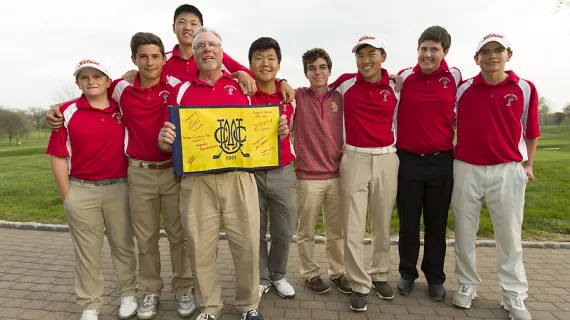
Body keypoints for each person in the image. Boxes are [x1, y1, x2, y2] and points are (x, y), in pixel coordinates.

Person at [45, 33, 196, 319]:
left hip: (173, 173)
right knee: (146, 238)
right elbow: (86, 95)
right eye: (143, 56)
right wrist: (53, 111)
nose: (149, 62)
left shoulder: (178, 87)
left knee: (179, 235)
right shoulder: (121, 89)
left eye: (155, 56)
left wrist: (239, 73)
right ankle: (149, 290)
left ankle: (184, 289)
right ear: (133, 60)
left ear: (164, 58)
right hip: (138, 174)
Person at [157, 27, 289, 320]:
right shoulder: (182, 89)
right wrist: (164, 139)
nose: (207, 50)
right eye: (201, 45)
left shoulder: (243, 85)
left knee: (247, 244)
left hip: (238, 176)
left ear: (221, 50)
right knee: (200, 246)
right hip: (196, 179)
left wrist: (278, 130)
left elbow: (263, 126)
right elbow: (170, 137)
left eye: (213, 45)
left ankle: (248, 305)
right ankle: (210, 307)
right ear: (195, 52)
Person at [452, 33, 539, 320]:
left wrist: (528, 165)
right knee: (465, 232)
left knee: (510, 235)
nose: (491, 56)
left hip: (507, 169)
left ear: (508, 54)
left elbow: (531, 131)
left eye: (498, 51)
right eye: (485, 52)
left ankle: (513, 295)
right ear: (476, 59)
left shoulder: (524, 88)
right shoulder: (463, 89)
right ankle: (467, 284)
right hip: (467, 167)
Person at [46, 59, 138, 320]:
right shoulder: (66, 112)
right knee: (87, 251)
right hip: (81, 189)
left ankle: (128, 294)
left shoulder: (123, 108)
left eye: (97, 76)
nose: (91, 81)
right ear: (78, 83)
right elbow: (57, 156)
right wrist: (68, 197)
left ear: (109, 81)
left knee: (123, 245)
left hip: (119, 187)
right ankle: (91, 304)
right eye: (84, 77)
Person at [329, 35, 399, 312]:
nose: (365, 60)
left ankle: (379, 273)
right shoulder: (346, 83)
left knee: (381, 222)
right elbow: (317, 87)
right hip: (354, 157)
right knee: (353, 225)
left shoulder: (396, 85)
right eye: (360, 55)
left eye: (372, 54)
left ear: (383, 56)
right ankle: (359, 283)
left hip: (386, 157)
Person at [394, 26, 461, 301]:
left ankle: (435, 277)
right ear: (417, 50)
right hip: (408, 160)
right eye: (424, 48)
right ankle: (407, 273)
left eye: (434, 49)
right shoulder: (404, 77)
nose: (428, 54)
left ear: (445, 51)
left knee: (436, 223)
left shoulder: (455, 77)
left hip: (441, 161)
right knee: (408, 223)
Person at [293, 48, 351, 295]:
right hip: (307, 176)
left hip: (337, 174)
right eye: (312, 68)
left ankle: (338, 272)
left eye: (322, 67)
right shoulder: (297, 96)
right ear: (306, 73)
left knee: (335, 231)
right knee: (306, 230)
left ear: (329, 70)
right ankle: (309, 273)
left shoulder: (340, 97)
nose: (317, 72)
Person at [248, 37, 296, 299]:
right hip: (250, 173)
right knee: (255, 229)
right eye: (258, 58)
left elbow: (296, 127)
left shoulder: (288, 96)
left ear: (278, 64)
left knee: (284, 229)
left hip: (282, 170)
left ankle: (278, 275)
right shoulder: (242, 94)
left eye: (270, 58)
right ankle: (261, 277)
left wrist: (286, 130)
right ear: (250, 63)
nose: (265, 63)